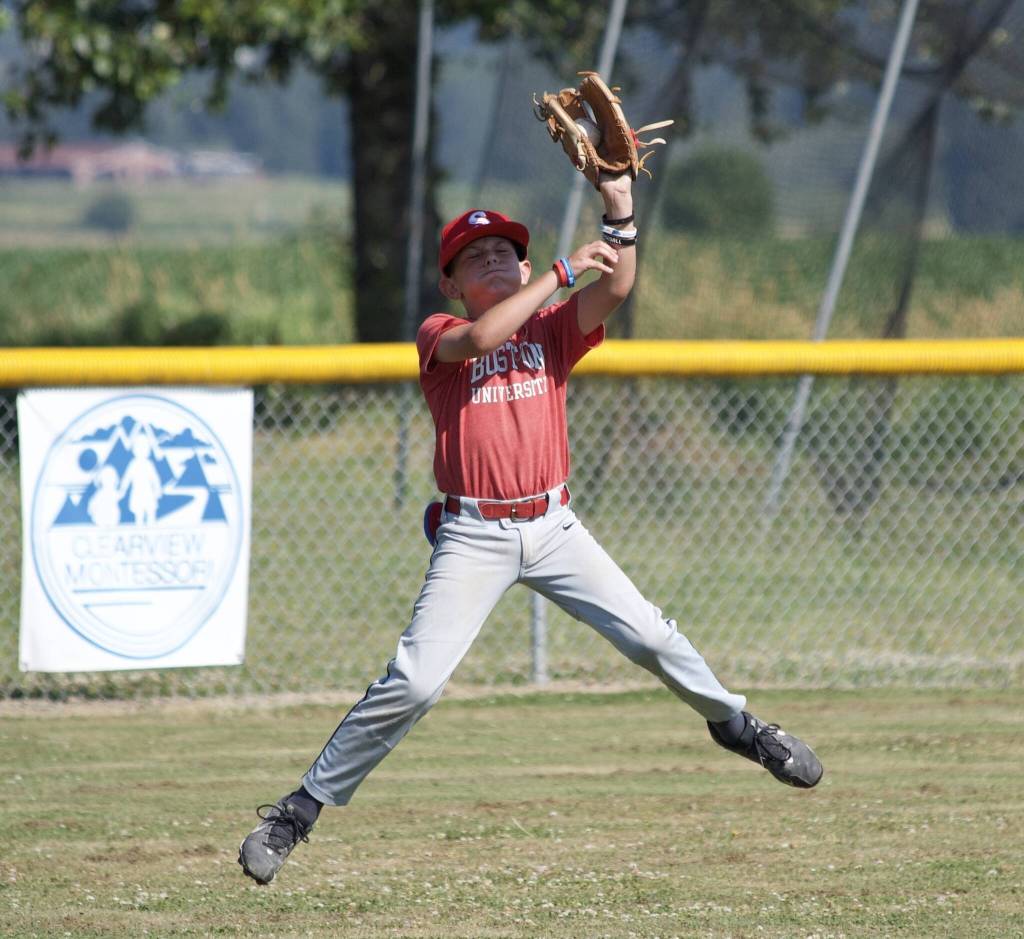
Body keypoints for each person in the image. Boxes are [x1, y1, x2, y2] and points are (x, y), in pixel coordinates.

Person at [238, 173, 823, 886]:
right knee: (416, 682)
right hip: (474, 534)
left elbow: (615, 286)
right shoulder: (441, 332)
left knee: (650, 636)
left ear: (522, 266)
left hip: (553, 524)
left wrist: (618, 207)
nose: (493, 259)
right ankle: (295, 813)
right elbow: (487, 334)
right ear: (450, 283)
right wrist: (558, 271)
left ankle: (740, 726)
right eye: (473, 255)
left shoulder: (550, 330)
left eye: (504, 251)